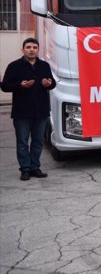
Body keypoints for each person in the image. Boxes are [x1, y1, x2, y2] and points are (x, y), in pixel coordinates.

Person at [1, 38, 56, 181]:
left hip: (41, 111)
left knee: (38, 141)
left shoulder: (44, 65)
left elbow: (52, 83)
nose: (32, 49)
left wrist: (48, 84)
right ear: (23, 50)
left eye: (34, 47)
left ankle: (35, 167)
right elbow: (5, 86)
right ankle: (25, 169)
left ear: (38, 50)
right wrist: (20, 85)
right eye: (28, 47)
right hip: (22, 112)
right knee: (22, 142)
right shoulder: (14, 66)